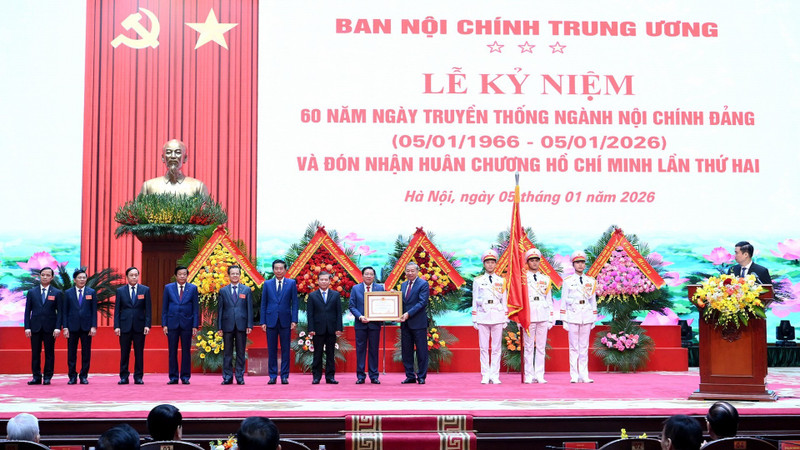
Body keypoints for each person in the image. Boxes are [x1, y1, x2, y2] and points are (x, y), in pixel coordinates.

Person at [560, 250, 597, 383]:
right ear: (573, 264)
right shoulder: (568, 281)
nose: (580, 265)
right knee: (574, 347)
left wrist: (594, 317)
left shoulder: (591, 281)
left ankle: (584, 375)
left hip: (586, 315)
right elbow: (563, 300)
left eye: (582, 262)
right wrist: (563, 319)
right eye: (577, 263)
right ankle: (574, 375)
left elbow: (593, 301)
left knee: (584, 347)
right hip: (573, 315)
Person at [471, 250, 508, 384]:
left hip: (497, 315)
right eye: (488, 263)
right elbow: (474, 299)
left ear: (495, 264)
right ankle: (485, 375)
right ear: (484, 264)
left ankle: (495, 375)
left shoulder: (501, 281)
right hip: (483, 315)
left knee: (496, 347)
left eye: (492, 262)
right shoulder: (478, 280)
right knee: (483, 347)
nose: (490, 265)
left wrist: (505, 317)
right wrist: (474, 318)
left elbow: (504, 300)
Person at [260, 259, 298, 385]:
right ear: (273, 270)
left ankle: (284, 376)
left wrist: (294, 320)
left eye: (281, 268)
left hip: (286, 321)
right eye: (276, 268)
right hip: (270, 321)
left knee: (286, 349)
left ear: (285, 269)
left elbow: (295, 304)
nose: (279, 270)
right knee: (271, 349)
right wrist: (263, 321)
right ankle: (272, 376)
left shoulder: (291, 283)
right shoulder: (267, 284)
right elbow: (264, 304)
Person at [24, 266, 63, 385]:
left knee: (49, 353)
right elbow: (27, 311)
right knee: (35, 353)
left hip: (50, 328)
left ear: (52, 277)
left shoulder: (57, 293)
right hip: (35, 327)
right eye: (43, 275)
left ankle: (47, 376)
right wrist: (27, 327)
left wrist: (57, 327)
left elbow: (60, 312)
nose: (45, 277)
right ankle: (36, 377)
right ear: (39, 276)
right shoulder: (32, 292)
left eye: (48, 275)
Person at [162, 265, 200, 385]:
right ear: (175, 276)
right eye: (180, 274)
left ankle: (185, 377)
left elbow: (195, 309)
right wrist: (164, 324)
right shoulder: (168, 288)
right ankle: (173, 377)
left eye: (184, 274)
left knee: (186, 351)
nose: (182, 276)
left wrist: (195, 325)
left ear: (187, 275)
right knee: (172, 351)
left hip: (187, 324)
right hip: (172, 323)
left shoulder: (193, 288)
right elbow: (165, 308)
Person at [523, 248, 556, 384]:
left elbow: (549, 300)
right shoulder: (523, 279)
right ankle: (529, 375)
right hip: (529, 315)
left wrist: (551, 317)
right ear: (528, 262)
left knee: (541, 347)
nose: (535, 263)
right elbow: (520, 299)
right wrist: (521, 318)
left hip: (543, 314)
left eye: (537, 260)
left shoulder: (545, 279)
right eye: (532, 260)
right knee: (529, 346)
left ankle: (540, 374)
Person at [114, 267, 151, 385]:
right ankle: (124, 376)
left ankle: (138, 377)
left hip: (139, 326)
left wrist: (147, 325)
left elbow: (148, 310)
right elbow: (117, 310)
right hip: (124, 326)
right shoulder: (120, 291)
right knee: (124, 352)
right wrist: (117, 326)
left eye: (136, 275)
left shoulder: (145, 290)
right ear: (127, 277)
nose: (134, 277)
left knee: (139, 353)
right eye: (131, 275)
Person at [218, 265, 253, 385]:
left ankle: (239, 376)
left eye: (237, 273)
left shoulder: (246, 290)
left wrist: (249, 325)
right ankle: (227, 377)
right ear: (229, 275)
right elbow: (220, 310)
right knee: (227, 352)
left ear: (240, 275)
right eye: (232, 274)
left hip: (241, 325)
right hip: (227, 325)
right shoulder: (223, 291)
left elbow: (249, 309)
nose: (235, 276)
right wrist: (219, 327)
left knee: (241, 352)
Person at [348, 266, 384, 384]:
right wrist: (360, 316)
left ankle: (374, 376)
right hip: (360, 324)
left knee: (374, 350)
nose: (369, 276)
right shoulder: (355, 288)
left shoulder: (380, 288)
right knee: (360, 350)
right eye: (366, 274)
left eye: (371, 274)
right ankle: (360, 376)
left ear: (374, 276)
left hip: (375, 325)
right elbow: (352, 306)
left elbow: (384, 304)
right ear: (362, 276)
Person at [62, 268, 98, 385]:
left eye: (84, 277)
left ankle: (84, 376)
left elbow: (93, 311)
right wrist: (65, 327)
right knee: (71, 353)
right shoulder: (68, 293)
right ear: (74, 280)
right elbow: (65, 311)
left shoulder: (91, 292)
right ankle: (72, 376)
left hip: (87, 327)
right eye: (80, 278)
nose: (82, 280)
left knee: (86, 353)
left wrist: (93, 326)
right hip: (72, 327)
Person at [307, 272, 343, 384]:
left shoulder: (336, 295)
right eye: (321, 279)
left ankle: (330, 377)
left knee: (330, 353)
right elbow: (310, 314)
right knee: (317, 354)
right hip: (317, 329)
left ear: (329, 281)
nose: (323, 281)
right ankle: (316, 377)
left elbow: (338, 313)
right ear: (318, 281)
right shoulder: (312, 296)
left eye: (326, 279)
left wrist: (339, 328)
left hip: (332, 329)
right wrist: (311, 329)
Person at [140, 139, 210, 196]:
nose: (173, 156)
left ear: (185, 158)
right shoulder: (149, 186)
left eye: (178, 152)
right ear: (163, 158)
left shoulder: (198, 187)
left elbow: (206, 212)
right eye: (168, 152)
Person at [399, 262, 430, 384]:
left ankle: (421, 376)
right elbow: (402, 303)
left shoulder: (423, 284)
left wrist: (408, 314)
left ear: (417, 271)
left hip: (418, 323)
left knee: (421, 351)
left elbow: (422, 303)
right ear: (405, 272)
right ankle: (410, 375)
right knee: (406, 351)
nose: (410, 273)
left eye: (412, 271)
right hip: (405, 324)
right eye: (408, 271)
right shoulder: (403, 285)